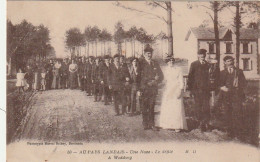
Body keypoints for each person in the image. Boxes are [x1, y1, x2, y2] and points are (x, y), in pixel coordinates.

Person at [218, 56, 247, 138]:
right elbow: (219, 84)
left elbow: (244, 83)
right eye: (228, 61)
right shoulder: (222, 72)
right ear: (224, 63)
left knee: (238, 112)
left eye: (231, 61)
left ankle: (238, 132)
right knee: (227, 112)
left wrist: (239, 86)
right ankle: (229, 131)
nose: (230, 63)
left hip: (237, 95)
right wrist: (222, 87)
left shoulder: (239, 72)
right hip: (226, 96)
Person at [159, 56, 188, 132]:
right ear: (167, 62)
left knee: (176, 107)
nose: (171, 62)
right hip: (168, 90)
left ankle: (177, 125)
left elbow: (181, 81)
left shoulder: (178, 69)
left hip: (176, 89)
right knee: (168, 107)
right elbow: (163, 80)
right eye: (169, 61)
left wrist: (180, 90)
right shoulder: (165, 70)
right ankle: (167, 124)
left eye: (172, 60)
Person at [140, 44, 164, 130]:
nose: (149, 55)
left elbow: (161, 76)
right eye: (147, 53)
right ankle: (145, 123)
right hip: (144, 89)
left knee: (151, 106)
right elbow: (139, 77)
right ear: (144, 54)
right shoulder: (141, 63)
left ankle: (152, 124)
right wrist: (148, 82)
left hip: (153, 89)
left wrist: (156, 81)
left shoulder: (155, 63)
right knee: (144, 106)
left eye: (150, 53)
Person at [187, 49, 210, 132]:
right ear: (198, 55)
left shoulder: (208, 65)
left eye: (204, 54)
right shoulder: (194, 64)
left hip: (206, 90)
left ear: (205, 55)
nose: (202, 56)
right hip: (197, 90)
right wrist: (190, 90)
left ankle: (206, 123)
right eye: (200, 54)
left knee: (207, 107)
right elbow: (190, 77)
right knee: (198, 107)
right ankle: (200, 123)